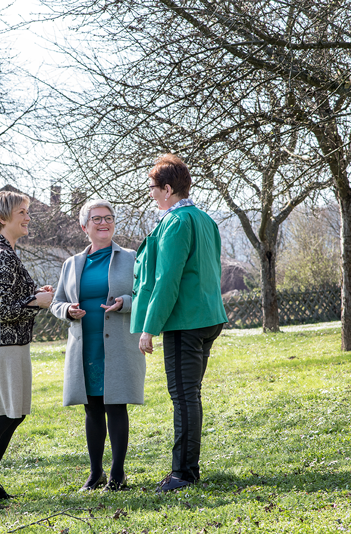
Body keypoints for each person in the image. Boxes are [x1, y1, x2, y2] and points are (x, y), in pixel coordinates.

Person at [130, 154, 228, 493]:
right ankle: (187, 469)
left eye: (153, 189)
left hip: (184, 322)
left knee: (184, 397)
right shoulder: (205, 220)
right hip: (208, 317)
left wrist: (149, 326)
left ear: (168, 189)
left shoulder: (175, 222)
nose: (152, 195)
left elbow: (167, 279)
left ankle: (183, 474)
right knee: (191, 395)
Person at [0, 190, 54, 512]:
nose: (28, 217)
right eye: (22, 212)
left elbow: (5, 298)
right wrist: (37, 302)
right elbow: (2, 310)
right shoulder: (1, 254)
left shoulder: (4, 251)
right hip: (0, 347)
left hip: (10, 346)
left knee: (14, 416)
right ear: (4, 218)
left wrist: (34, 295)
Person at [50, 199, 144, 492]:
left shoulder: (131, 257)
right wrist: (67, 311)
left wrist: (124, 303)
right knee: (92, 410)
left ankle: (118, 475)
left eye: (108, 218)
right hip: (84, 347)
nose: (103, 223)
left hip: (117, 346)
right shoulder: (71, 264)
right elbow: (56, 303)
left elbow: (145, 295)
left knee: (116, 407)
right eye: (97, 219)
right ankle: (95, 474)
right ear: (84, 226)